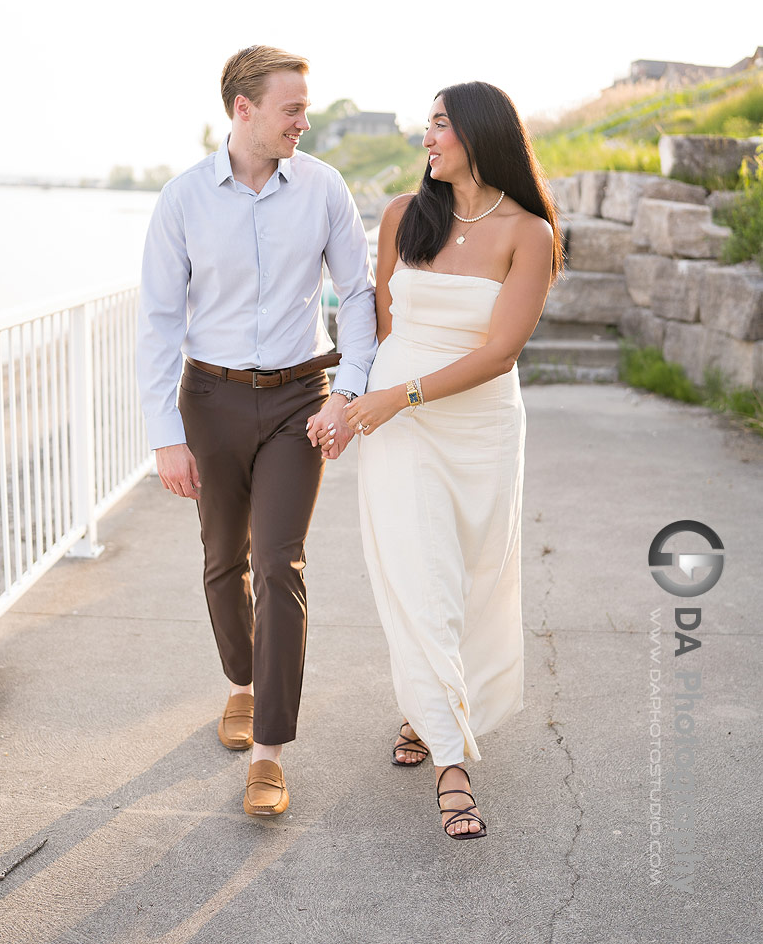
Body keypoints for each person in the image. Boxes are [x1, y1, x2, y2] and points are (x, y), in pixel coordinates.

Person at [137, 45, 376, 819]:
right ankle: (240, 683)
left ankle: (269, 749)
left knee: (279, 563)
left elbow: (360, 296)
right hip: (207, 399)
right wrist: (164, 434)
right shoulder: (181, 200)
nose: (304, 122)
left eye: (304, 108)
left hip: (295, 401)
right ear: (243, 109)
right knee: (221, 560)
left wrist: (347, 392)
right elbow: (159, 323)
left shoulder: (323, 188)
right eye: (291, 110)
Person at [341, 81, 562, 839]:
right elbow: (376, 315)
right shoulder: (404, 216)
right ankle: (450, 761)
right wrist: (351, 395)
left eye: (437, 124)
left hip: (475, 427)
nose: (424, 137)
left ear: (476, 133)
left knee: (466, 580)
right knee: (416, 572)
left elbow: (500, 353)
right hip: (396, 423)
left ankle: (421, 708)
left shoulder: (527, 234)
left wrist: (397, 395)